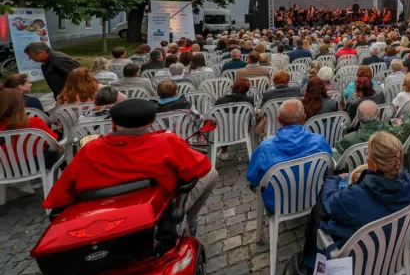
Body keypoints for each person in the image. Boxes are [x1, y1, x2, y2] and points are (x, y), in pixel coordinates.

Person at [43, 99, 219, 233]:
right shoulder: (165, 141)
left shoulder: (90, 149)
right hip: (158, 209)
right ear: (151, 123)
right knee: (211, 173)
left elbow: (59, 195)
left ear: (112, 124)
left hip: (101, 215)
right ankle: (189, 223)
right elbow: (200, 168)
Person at [295, 131, 410, 275]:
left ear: (372, 164)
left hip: (362, 252)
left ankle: (309, 263)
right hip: (395, 242)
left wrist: (333, 180)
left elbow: (329, 203)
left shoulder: (355, 196)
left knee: (318, 210)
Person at [246, 99, 332, 215]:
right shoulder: (319, 141)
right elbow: (328, 168)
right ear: (304, 118)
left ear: (279, 120)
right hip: (314, 196)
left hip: (278, 203)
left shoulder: (265, 148)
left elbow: (253, 178)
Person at [0, 89, 64, 169]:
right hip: (35, 165)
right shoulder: (35, 122)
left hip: (6, 170)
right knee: (64, 149)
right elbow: (54, 142)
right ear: (21, 105)